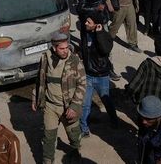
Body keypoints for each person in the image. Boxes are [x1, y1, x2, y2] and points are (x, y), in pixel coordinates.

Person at [31, 32, 85, 164]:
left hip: (68, 107)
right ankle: (47, 161)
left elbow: (82, 84)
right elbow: (40, 79)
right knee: (48, 138)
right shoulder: (45, 58)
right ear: (54, 48)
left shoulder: (74, 60)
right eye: (62, 48)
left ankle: (75, 152)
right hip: (50, 106)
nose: (65, 50)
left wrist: (74, 106)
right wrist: (35, 97)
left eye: (67, 47)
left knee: (74, 135)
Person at [79, 15, 118, 137]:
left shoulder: (105, 36)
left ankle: (114, 120)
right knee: (85, 104)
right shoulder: (85, 33)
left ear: (96, 24)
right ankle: (84, 128)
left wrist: (99, 32)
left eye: (88, 22)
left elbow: (105, 49)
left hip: (101, 76)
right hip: (88, 75)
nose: (85, 23)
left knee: (106, 101)